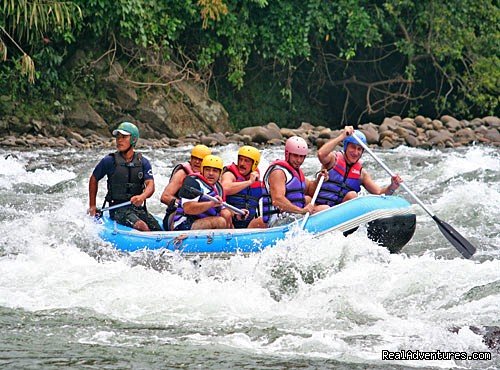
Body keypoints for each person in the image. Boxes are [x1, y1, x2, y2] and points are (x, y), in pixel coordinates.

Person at [88, 122, 161, 231]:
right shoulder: (109, 161)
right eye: (118, 137)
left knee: (157, 229)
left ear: (133, 140)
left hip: (137, 209)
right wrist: (92, 206)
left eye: (124, 137)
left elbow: (150, 185)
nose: (119, 140)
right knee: (142, 227)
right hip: (117, 209)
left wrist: (142, 196)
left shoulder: (143, 162)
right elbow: (94, 179)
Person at [315, 126, 402, 210]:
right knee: (323, 208)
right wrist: (342, 136)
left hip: (340, 213)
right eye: (352, 147)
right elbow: (321, 154)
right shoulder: (333, 159)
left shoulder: (361, 174)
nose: (356, 152)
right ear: (346, 147)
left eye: (359, 149)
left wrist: (392, 187)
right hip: (320, 207)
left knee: (352, 195)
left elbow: (379, 193)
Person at [260, 136, 321, 227]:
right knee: (322, 209)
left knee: (318, 205)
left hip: (294, 216)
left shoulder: (296, 172)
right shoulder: (278, 173)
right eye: (295, 156)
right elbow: (277, 200)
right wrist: (301, 211)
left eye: (302, 156)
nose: (299, 160)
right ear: (287, 154)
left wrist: (319, 179)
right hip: (277, 222)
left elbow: (311, 190)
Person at [169, 155, 239, 230]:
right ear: (202, 171)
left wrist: (236, 215)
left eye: (215, 171)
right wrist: (210, 204)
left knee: (226, 214)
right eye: (208, 170)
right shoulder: (192, 182)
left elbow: (223, 207)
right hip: (185, 223)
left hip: (202, 221)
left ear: (220, 174)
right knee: (220, 222)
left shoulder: (218, 187)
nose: (211, 173)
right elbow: (188, 208)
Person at [160, 144, 211, 229]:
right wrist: (186, 205)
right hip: (176, 216)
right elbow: (165, 197)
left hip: (198, 216)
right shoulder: (182, 174)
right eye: (195, 158)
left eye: (200, 160)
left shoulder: (211, 176)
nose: (197, 162)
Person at [221, 145, 263, 228]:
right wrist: (249, 182)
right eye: (240, 159)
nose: (242, 163)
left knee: (263, 220)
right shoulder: (229, 174)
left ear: (254, 164)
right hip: (230, 224)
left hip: (249, 226)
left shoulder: (258, 182)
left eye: (246, 161)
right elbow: (225, 188)